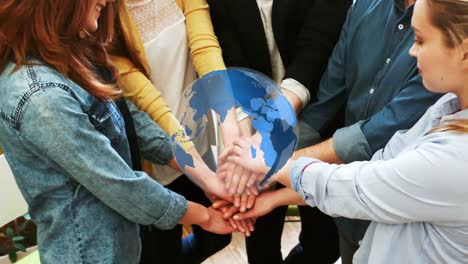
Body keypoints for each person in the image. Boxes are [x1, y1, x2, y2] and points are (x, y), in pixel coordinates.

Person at [232, 0, 468, 262]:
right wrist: (273, 196)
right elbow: (369, 169)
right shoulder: (445, 107)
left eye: (421, 40)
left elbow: (358, 187)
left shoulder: (455, 155)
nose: (413, 50)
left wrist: (270, 164)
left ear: (464, 52)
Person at [0, 0, 235, 263]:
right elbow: (120, 185)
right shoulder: (40, 97)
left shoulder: (67, 53)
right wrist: (206, 216)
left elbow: (131, 119)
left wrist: (204, 176)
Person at [207, 1, 351, 263]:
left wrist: (265, 140)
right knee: (260, 236)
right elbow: (231, 64)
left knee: (324, 244)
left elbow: (315, 52)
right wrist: (244, 145)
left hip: (319, 119)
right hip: (253, 126)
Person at [110, 1, 254, 263]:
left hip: (203, 139)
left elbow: (205, 47)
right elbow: (149, 102)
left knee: (218, 236)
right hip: (159, 153)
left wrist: (230, 127)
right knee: (162, 252)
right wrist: (199, 171)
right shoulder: (103, 12)